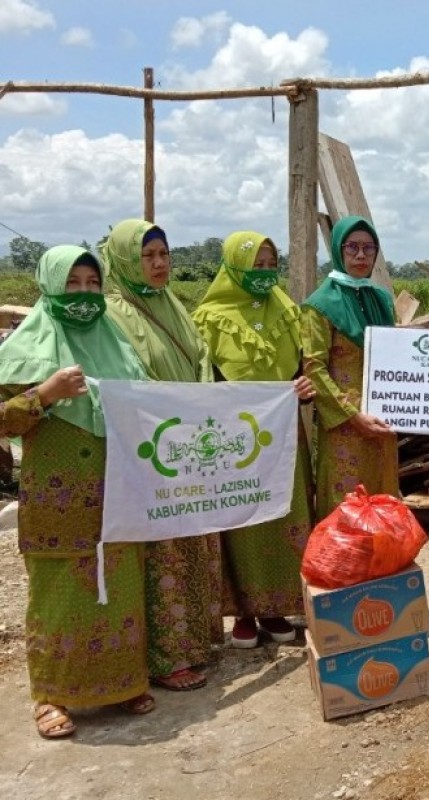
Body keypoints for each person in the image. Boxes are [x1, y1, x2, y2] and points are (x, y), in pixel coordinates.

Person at [0, 245, 153, 738]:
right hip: (57, 498)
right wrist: (44, 395)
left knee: (121, 586)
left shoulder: (119, 345)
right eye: (73, 284)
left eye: (92, 284)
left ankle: (125, 683)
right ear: (50, 285)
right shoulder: (23, 350)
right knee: (60, 594)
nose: (84, 294)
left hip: (117, 492)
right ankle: (51, 697)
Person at [101, 219, 222, 690]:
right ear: (127, 259)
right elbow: (122, 376)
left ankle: (194, 643)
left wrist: (203, 398)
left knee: (190, 540)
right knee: (162, 553)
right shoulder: (113, 313)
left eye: (164, 255)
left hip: (189, 440)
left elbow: (201, 358)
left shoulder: (172, 304)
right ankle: (165, 657)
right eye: (147, 255)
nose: (158, 264)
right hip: (151, 446)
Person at [192, 231, 316, 647]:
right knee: (240, 518)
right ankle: (243, 611)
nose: (264, 274)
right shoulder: (210, 318)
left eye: (270, 265)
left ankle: (276, 607)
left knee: (284, 516)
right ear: (233, 267)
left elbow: (303, 368)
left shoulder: (288, 311)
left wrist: (303, 386)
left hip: (283, 433)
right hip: (233, 438)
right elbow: (202, 378)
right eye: (254, 266)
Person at [300, 215, 398, 519]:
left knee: (382, 497)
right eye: (352, 247)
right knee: (347, 501)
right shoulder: (320, 305)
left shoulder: (380, 298)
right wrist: (353, 417)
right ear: (338, 251)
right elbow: (314, 368)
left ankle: (382, 564)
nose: (360, 256)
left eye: (369, 249)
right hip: (346, 427)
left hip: (382, 419)